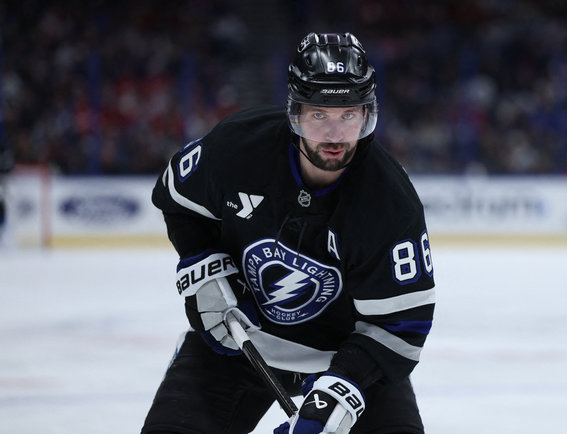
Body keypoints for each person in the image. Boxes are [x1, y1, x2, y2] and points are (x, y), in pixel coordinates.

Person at [142, 32, 436, 434]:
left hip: (343, 354)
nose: (335, 135)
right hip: (238, 337)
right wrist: (203, 265)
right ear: (295, 112)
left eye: (348, 115)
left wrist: (340, 393)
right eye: (320, 115)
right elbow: (178, 199)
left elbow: (403, 325)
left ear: (367, 115)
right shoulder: (239, 146)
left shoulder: (389, 201)